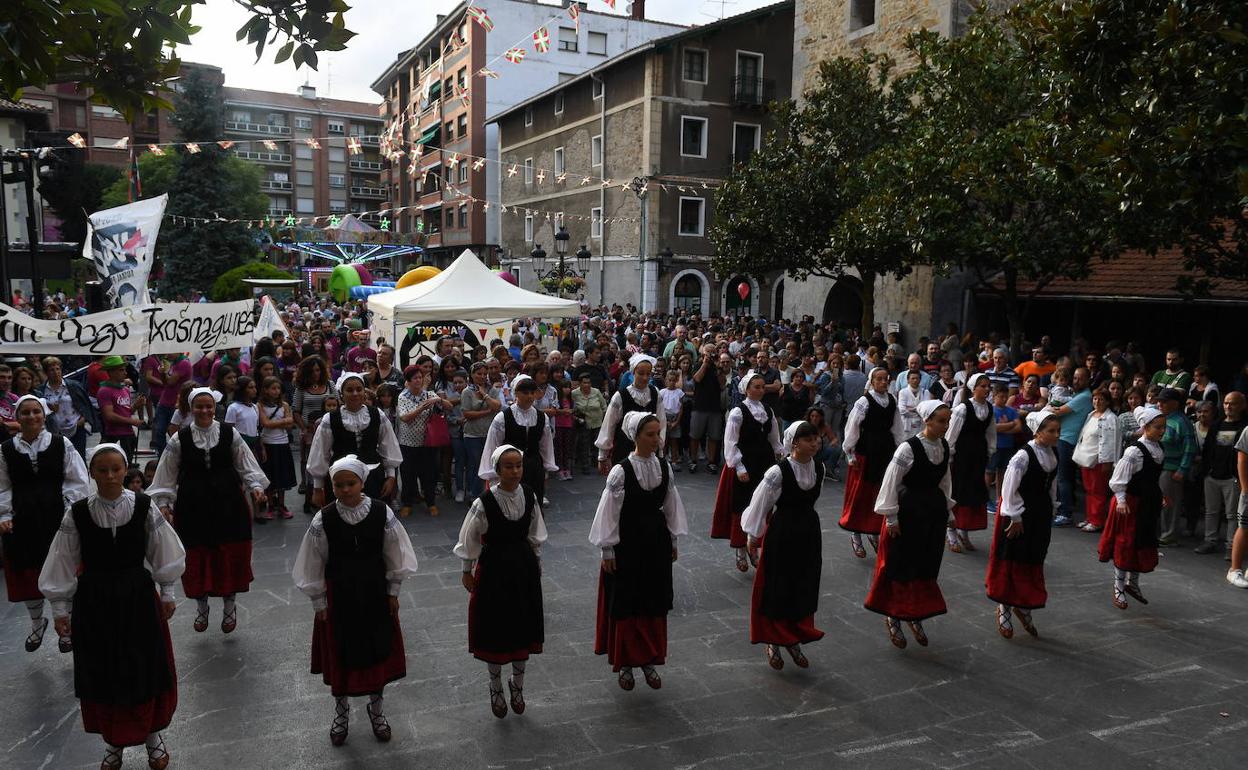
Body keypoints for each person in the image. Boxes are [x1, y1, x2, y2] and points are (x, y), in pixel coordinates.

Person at [38, 443, 185, 770]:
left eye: (115, 469)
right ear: (92, 473)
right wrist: (60, 609)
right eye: (102, 470)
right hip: (95, 601)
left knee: (143, 666)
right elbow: (62, 559)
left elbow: (164, 550)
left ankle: (152, 736)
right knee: (104, 671)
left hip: (137, 598)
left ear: (125, 470)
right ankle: (113, 742)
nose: (109, 476)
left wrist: (169, 591)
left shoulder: (144, 506)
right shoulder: (77, 513)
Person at [292, 455, 419, 746]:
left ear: (362, 482)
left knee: (376, 649)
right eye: (338, 485)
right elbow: (312, 562)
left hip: (374, 593)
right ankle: (341, 711)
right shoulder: (323, 518)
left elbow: (395, 553)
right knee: (342, 653)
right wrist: (319, 602)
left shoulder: (381, 513)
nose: (345, 490)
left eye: (350, 483)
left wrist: (394, 591)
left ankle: (377, 710)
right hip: (340, 596)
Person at [148, 387, 269, 635]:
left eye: (208, 406)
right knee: (196, 555)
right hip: (193, 505)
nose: (204, 411)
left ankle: (229, 606)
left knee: (230, 552)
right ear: (191, 409)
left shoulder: (228, 433)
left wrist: (256, 487)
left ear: (215, 408)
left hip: (228, 503)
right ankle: (201, 607)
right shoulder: (179, 438)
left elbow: (245, 463)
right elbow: (167, 474)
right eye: (199, 406)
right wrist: (164, 502)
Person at [590, 413, 688, 691]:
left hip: (655, 539)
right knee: (628, 599)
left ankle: (649, 658)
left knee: (653, 597)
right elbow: (609, 511)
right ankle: (626, 663)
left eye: (658, 434)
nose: (656, 439)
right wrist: (607, 548)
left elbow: (671, 505)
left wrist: (673, 539)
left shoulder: (664, 467)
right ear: (635, 437)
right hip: (628, 541)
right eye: (650, 434)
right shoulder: (621, 471)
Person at [455, 445, 547, 718]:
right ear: (497, 470)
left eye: (518, 465)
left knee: (522, 624)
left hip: (523, 567)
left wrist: (537, 561)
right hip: (494, 568)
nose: (515, 471)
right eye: (508, 466)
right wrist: (466, 569)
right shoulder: (483, 502)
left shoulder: (529, 495)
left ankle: (517, 685)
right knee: (495, 627)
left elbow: (535, 531)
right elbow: (469, 537)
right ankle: (495, 685)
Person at [0, 395, 90, 653]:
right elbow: (2, 486)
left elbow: (77, 480)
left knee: (63, 570)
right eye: (25, 413)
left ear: (44, 415)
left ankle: (67, 627)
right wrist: (4, 515)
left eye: (36, 412)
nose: (31, 417)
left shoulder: (62, 444)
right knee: (28, 571)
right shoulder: (5, 450)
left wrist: (71, 509)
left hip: (56, 516)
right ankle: (37, 623)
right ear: (17, 417)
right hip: (22, 518)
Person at [864, 400, 955, 649]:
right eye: (941, 421)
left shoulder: (943, 446)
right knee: (902, 564)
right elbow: (891, 482)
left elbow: (945, 480)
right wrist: (891, 516)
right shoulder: (908, 448)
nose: (945, 426)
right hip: (910, 511)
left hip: (932, 513)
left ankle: (915, 614)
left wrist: (948, 510)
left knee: (925, 563)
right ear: (927, 421)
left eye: (947, 421)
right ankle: (894, 615)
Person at [742, 421, 825, 670]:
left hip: (808, 531)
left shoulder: (818, 468)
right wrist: (753, 536)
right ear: (794, 443)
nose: (814, 443)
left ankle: (793, 637)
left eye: (816, 438)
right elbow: (760, 503)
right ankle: (774, 640)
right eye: (808, 439)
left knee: (802, 583)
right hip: (783, 532)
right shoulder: (778, 472)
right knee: (779, 584)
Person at [986, 411, 1060, 639]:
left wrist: (1052, 508)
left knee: (1033, 557)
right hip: (1019, 512)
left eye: (1058, 431)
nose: (1056, 435)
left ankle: (1023, 603)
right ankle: (1004, 608)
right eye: (1051, 431)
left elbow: (1051, 485)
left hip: (1040, 512)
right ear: (1037, 432)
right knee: (1013, 559)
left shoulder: (1052, 453)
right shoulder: (1023, 456)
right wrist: (1014, 517)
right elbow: (1008, 489)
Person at [710, 370, 783, 572]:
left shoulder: (767, 410)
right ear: (746, 389)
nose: (760, 390)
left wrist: (781, 455)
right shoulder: (738, 412)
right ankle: (740, 547)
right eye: (756, 387)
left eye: (762, 387)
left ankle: (755, 546)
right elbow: (730, 442)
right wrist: (739, 466)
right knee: (742, 506)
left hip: (764, 463)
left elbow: (774, 439)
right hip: (745, 464)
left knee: (763, 505)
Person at [1099, 406, 1168, 609]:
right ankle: (1118, 587)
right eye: (1157, 427)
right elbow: (1118, 480)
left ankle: (1133, 583)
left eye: (1163, 427)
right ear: (1145, 427)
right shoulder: (1134, 451)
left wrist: (1159, 495)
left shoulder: (1158, 449)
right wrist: (1120, 500)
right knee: (1126, 544)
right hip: (1129, 505)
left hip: (1147, 504)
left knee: (1142, 542)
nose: (1162, 431)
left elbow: (1150, 479)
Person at [307, 372, 402, 509]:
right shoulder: (330, 419)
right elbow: (320, 453)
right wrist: (317, 488)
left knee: (373, 516)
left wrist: (391, 476)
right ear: (341, 394)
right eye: (350, 390)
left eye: (359, 389)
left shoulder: (377, 414)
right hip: (341, 479)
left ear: (364, 392)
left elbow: (388, 446)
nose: (355, 393)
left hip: (373, 476)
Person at [839, 367, 905, 558]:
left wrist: (900, 450)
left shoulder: (892, 401)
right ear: (872, 381)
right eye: (879, 379)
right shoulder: (864, 402)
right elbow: (852, 427)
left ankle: (873, 530)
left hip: (885, 451)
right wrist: (849, 452)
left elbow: (898, 428)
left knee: (880, 492)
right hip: (865, 451)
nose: (883, 382)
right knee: (861, 493)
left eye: (886, 379)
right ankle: (856, 534)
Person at [478, 375, 558, 505]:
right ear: (516, 393)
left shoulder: (542, 417)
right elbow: (493, 445)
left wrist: (547, 466)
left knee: (533, 504)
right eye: (525, 393)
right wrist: (492, 473)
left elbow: (546, 445)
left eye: (532, 392)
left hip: (534, 467)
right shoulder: (503, 417)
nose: (529, 396)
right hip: (510, 467)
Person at [944, 373, 996, 553]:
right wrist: (949, 456)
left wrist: (990, 451)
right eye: (982, 386)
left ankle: (963, 532)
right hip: (962, 457)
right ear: (973, 388)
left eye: (988, 386)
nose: (987, 389)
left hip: (978, 456)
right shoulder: (962, 409)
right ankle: (951, 532)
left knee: (972, 495)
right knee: (958, 493)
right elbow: (952, 434)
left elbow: (991, 433)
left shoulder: (989, 408)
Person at [396, 366, 451, 517]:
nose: (418, 380)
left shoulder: (429, 394)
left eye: (420, 377)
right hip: (408, 443)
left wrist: (439, 399)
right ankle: (407, 503)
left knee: (429, 474)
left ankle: (431, 502)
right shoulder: (403, 397)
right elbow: (405, 417)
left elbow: (449, 407)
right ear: (408, 381)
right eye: (415, 378)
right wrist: (421, 407)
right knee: (408, 475)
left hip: (428, 442)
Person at [595, 354, 666, 471]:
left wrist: (660, 447)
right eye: (641, 373)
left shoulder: (655, 393)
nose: (645, 377)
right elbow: (609, 426)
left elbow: (661, 423)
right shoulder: (620, 396)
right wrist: (602, 456)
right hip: (625, 451)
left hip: (649, 451)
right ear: (633, 373)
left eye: (648, 374)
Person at [1197, 392, 1246, 556]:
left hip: (1232, 478)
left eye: (1232, 403)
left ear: (1242, 406)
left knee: (1232, 514)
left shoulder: (1244, 428)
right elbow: (1207, 450)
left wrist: (1239, 477)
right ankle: (1210, 541)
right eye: (1225, 403)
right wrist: (1206, 471)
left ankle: (1231, 546)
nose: (1228, 407)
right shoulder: (1216, 425)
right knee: (1211, 511)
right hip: (1212, 476)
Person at [1046, 367, 1094, 526]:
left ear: (1088, 379)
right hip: (1063, 438)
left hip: (1067, 440)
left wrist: (1049, 407)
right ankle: (1063, 509)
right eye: (1074, 378)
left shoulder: (1085, 396)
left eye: (1080, 378)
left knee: (1063, 478)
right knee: (1062, 478)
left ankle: (1065, 513)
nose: (1076, 381)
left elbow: (1058, 411)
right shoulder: (1075, 394)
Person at [1073, 387, 1121, 533]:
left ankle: (1097, 521)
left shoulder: (1111, 418)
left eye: (1101, 399)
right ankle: (1090, 517)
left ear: (1107, 401)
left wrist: (1109, 462)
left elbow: (1114, 441)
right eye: (1095, 398)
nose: (1097, 401)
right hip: (1086, 458)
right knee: (1089, 490)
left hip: (1099, 460)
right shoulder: (1091, 414)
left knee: (1098, 491)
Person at [1155, 388, 1197, 546]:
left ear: (1174, 403)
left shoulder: (1182, 421)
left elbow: (1190, 448)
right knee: (1161, 502)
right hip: (1160, 466)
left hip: (1172, 468)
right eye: (1159, 401)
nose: (1159, 404)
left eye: (1163, 402)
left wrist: (1182, 469)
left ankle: (1169, 535)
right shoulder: (1161, 418)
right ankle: (1163, 532)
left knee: (1170, 503)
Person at [293, 356, 336, 513]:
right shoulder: (301, 388)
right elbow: (296, 410)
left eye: (318, 370)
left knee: (327, 459)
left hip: (328, 429)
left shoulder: (330, 385)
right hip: (309, 431)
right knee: (310, 461)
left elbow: (337, 404)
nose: (315, 374)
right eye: (312, 371)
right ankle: (308, 490)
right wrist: (304, 428)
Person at [36, 356, 93, 458]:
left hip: (76, 427)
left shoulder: (73, 385)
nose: (55, 372)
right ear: (46, 372)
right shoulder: (42, 390)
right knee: (60, 458)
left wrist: (83, 419)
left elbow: (85, 404)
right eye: (51, 370)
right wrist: (49, 409)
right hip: (55, 430)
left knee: (79, 457)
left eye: (58, 369)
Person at [258, 376, 297, 519]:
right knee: (270, 477)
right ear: (266, 390)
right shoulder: (260, 405)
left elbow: (290, 423)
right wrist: (283, 421)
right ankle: (271, 505)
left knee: (283, 477)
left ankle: (281, 504)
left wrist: (277, 422)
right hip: (268, 443)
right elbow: (265, 423)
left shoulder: (284, 405)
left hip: (282, 443)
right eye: (273, 388)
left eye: (278, 388)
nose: (276, 391)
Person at [97, 356, 145, 462]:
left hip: (128, 434)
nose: (125, 373)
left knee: (127, 464)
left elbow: (126, 412)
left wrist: (136, 406)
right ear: (111, 372)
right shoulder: (104, 391)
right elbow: (109, 416)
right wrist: (132, 421)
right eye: (121, 370)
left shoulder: (125, 390)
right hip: (112, 435)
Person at [688, 344, 724, 473]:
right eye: (708, 351)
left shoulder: (717, 367)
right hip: (699, 406)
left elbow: (722, 384)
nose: (710, 354)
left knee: (714, 436)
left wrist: (719, 367)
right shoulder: (698, 365)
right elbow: (697, 378)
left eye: (713, 351)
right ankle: (693, 460)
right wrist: (705, 363)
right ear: (703, 353)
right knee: (695, 435)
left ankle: (711, 461)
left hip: (714, 407)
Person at [572, 373, 607, 475]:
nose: (587, 385)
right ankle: (585, 466)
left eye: (588, 382)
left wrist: (605, 420)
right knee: (584, 444)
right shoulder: (574, 393)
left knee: (597, 444)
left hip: (597, 421)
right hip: (583, 422)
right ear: (580, 383)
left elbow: (604, 406)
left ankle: (596, 463)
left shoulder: (596, 392)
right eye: (584, 383)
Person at [659, 369, 685, 468]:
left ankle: (674, 461)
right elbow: (660, 408)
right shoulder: (662, 392)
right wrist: (664, 421)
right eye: (669, 380)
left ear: (676, 380)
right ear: (666, 380)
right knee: (664, 441)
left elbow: (681, 408)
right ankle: (663, 461)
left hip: (675, 418)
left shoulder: (679, 392)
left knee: (674, 441)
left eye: (674, 380)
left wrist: (676, 422)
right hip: (664, 417)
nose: (671, 382)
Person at [897, 369, 929, 436]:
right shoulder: (903, 392)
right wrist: (918, 412)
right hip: (907, 427)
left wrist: (911, 409)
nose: (915, 380)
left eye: (917, 378)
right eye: (913, 378)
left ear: (920, 380)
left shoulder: (925, 392)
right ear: (908, 380)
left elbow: (926, 410)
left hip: (921, 426)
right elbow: (902, 410)